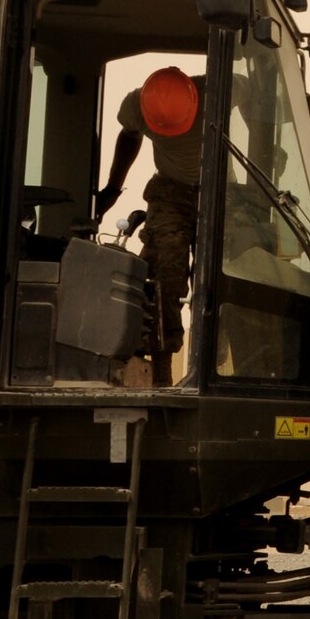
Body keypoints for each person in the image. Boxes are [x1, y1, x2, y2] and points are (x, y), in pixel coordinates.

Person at [96, 66, 204, 387]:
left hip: (222, 189)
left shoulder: (222, 92)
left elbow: (267, 113)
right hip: (171, 191)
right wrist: (113, 189)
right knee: (163, 275)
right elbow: (128, 137)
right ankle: (161, 372)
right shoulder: (136, 106)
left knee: (232, 274)